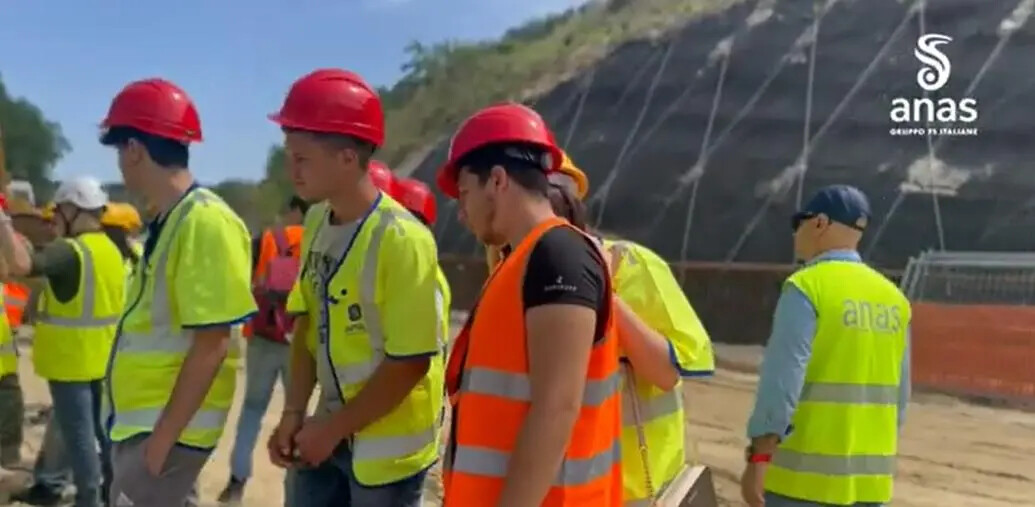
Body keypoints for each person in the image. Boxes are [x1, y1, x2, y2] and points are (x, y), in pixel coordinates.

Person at [266, 68, 446, 507]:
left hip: (386, 454)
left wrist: (331, 430)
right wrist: (294, 412)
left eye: (302, 158)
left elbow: (410, 362)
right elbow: (307, 326)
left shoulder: (401, 240)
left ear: (347, 158)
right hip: (328, 434)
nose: (292, 170)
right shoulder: (316, 222)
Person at [438, 103, 623, 506]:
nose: (462, 213)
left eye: (465, 194)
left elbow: (556, 408)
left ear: (497, 181)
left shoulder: (557, 255)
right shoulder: (520, 260)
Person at [98, 77, 256, 507]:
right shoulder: (171, 220)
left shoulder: (204, 222)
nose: (119, 163)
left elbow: (212, 343)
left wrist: (161, 443)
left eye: (119, 150)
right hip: (148, 426)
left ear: (134, 149)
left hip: (164, 431)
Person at [526, 153, 716, 505]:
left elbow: (667, 372)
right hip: (558, 486)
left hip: (633, 489)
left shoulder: (632, 266)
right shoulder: (516, 276)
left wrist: (601, 290)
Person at [740, 185, 910, 507]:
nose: (795, 234)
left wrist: (759, 459)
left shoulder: (806, 287)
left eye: (798, 223)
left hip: (801, 485)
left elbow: (782, 385)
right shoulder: (895, 300)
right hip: (869, 488)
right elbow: (899, 401)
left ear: (819, 223)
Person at [0, 177, 125, 507]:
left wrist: (2, 221)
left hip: (72, 363)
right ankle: (109, 494)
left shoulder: (70, 251)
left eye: (59, 210)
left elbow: (21, 265)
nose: (54, 216)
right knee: (101, 435)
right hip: (102, 358)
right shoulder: (109, 250)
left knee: (79, 439)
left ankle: (90, 500)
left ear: (74, 209)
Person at [218, 195, 308, 504]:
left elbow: (246, 280)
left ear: (295, 210)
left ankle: (236, 482)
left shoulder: (268, 238)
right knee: (296, 415)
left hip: (263, 336)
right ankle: (296, 489)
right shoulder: (320, 240)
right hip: (298, 340)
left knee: (252, 410)